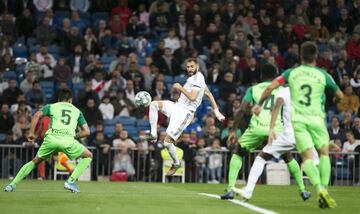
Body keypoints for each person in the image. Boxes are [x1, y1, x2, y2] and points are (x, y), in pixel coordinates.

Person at [252, 42, 343, 209]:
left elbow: (271, 86)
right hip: (317, 120)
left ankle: (318, 188)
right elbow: (340, 95)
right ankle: (324, 189)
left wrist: (259, 104)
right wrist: (335, 100)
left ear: (301, 56)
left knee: (307, 158)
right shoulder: (324, 75)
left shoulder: (291, 73)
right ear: (316, 56)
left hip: (298, 122)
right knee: (323, 154)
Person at [146, 58, 225, 176]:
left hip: (185, 113)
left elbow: (193, 97)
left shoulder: (198, 79)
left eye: (192, 66)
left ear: (197, 66)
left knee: (167, 143)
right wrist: (217, 112)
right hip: (176, 106)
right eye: (188, 67)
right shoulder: (196, 78)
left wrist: (180, 87)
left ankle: (176, 162)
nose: (189, 69)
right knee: (153, 104)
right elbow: (208, 94)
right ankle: (153, 134)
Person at [233, 87, 314, 201]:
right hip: (301, 133)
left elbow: (274, 105)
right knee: (294, 158)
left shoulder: (284, 91)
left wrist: (270, 126)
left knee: (260, 158)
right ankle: (306, 189)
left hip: (283, 133)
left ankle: (247, 190)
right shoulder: (302, 94)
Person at [4, 89, 93, 193]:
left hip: (51, 139)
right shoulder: (77, 111)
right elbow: (86, 132)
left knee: (35, 161)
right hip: (68, 140)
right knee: (88, 155)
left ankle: (12, 185)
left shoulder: (51, 106)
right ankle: (71, 181)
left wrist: (31, 133)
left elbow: (37, 115)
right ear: (70, 100)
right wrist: (74, 136)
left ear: (59, 100)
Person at [220, 64, 283, 200]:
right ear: (276, 76)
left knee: (238, 151)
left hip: (257, 128)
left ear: (261, 75)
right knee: (288, 156)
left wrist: (233, 130)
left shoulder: (253, 89)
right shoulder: (283, 89)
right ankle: (304, 189)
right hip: (276, 129)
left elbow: (241, 109)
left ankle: (230, 189)